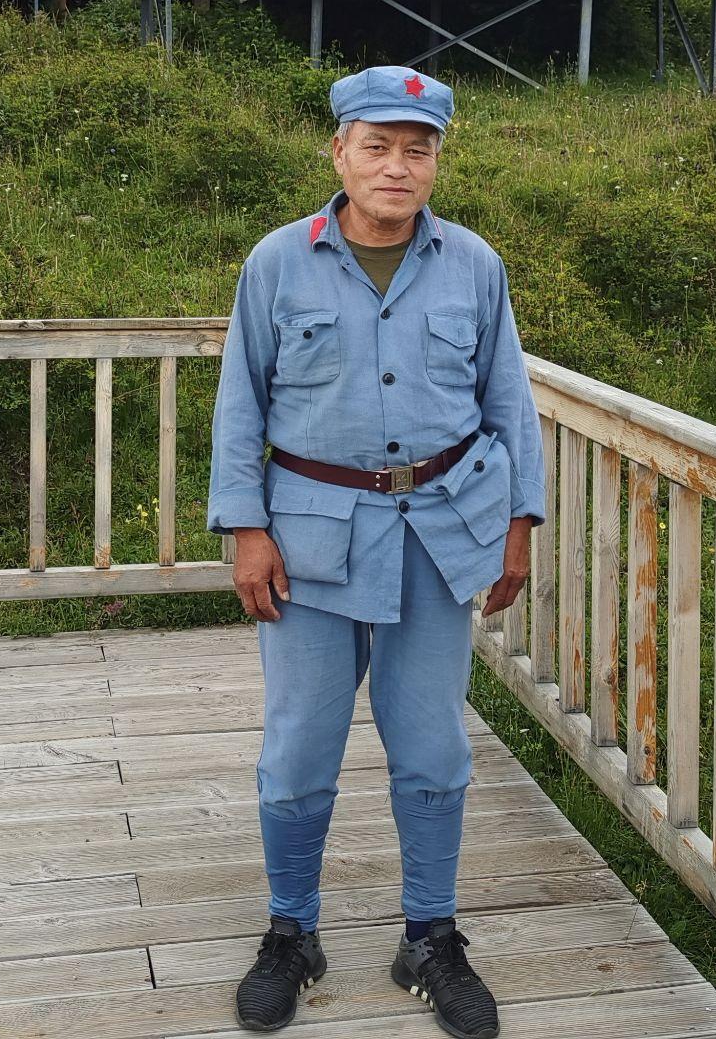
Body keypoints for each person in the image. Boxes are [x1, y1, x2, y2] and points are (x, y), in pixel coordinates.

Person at [210, 66, 546, 1038]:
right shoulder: (276, 262)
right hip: (309, 537)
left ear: (437, 158)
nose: (398, 167)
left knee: (432, 748)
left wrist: (517, 523)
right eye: (377, 146)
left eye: (418, 149)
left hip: (441, 536)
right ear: (339, 152)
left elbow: (505, 401)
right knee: (299, 751)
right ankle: (291, 932)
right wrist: (245, 527)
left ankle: (429, 937)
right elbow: (241, 403)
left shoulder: (473, 265)